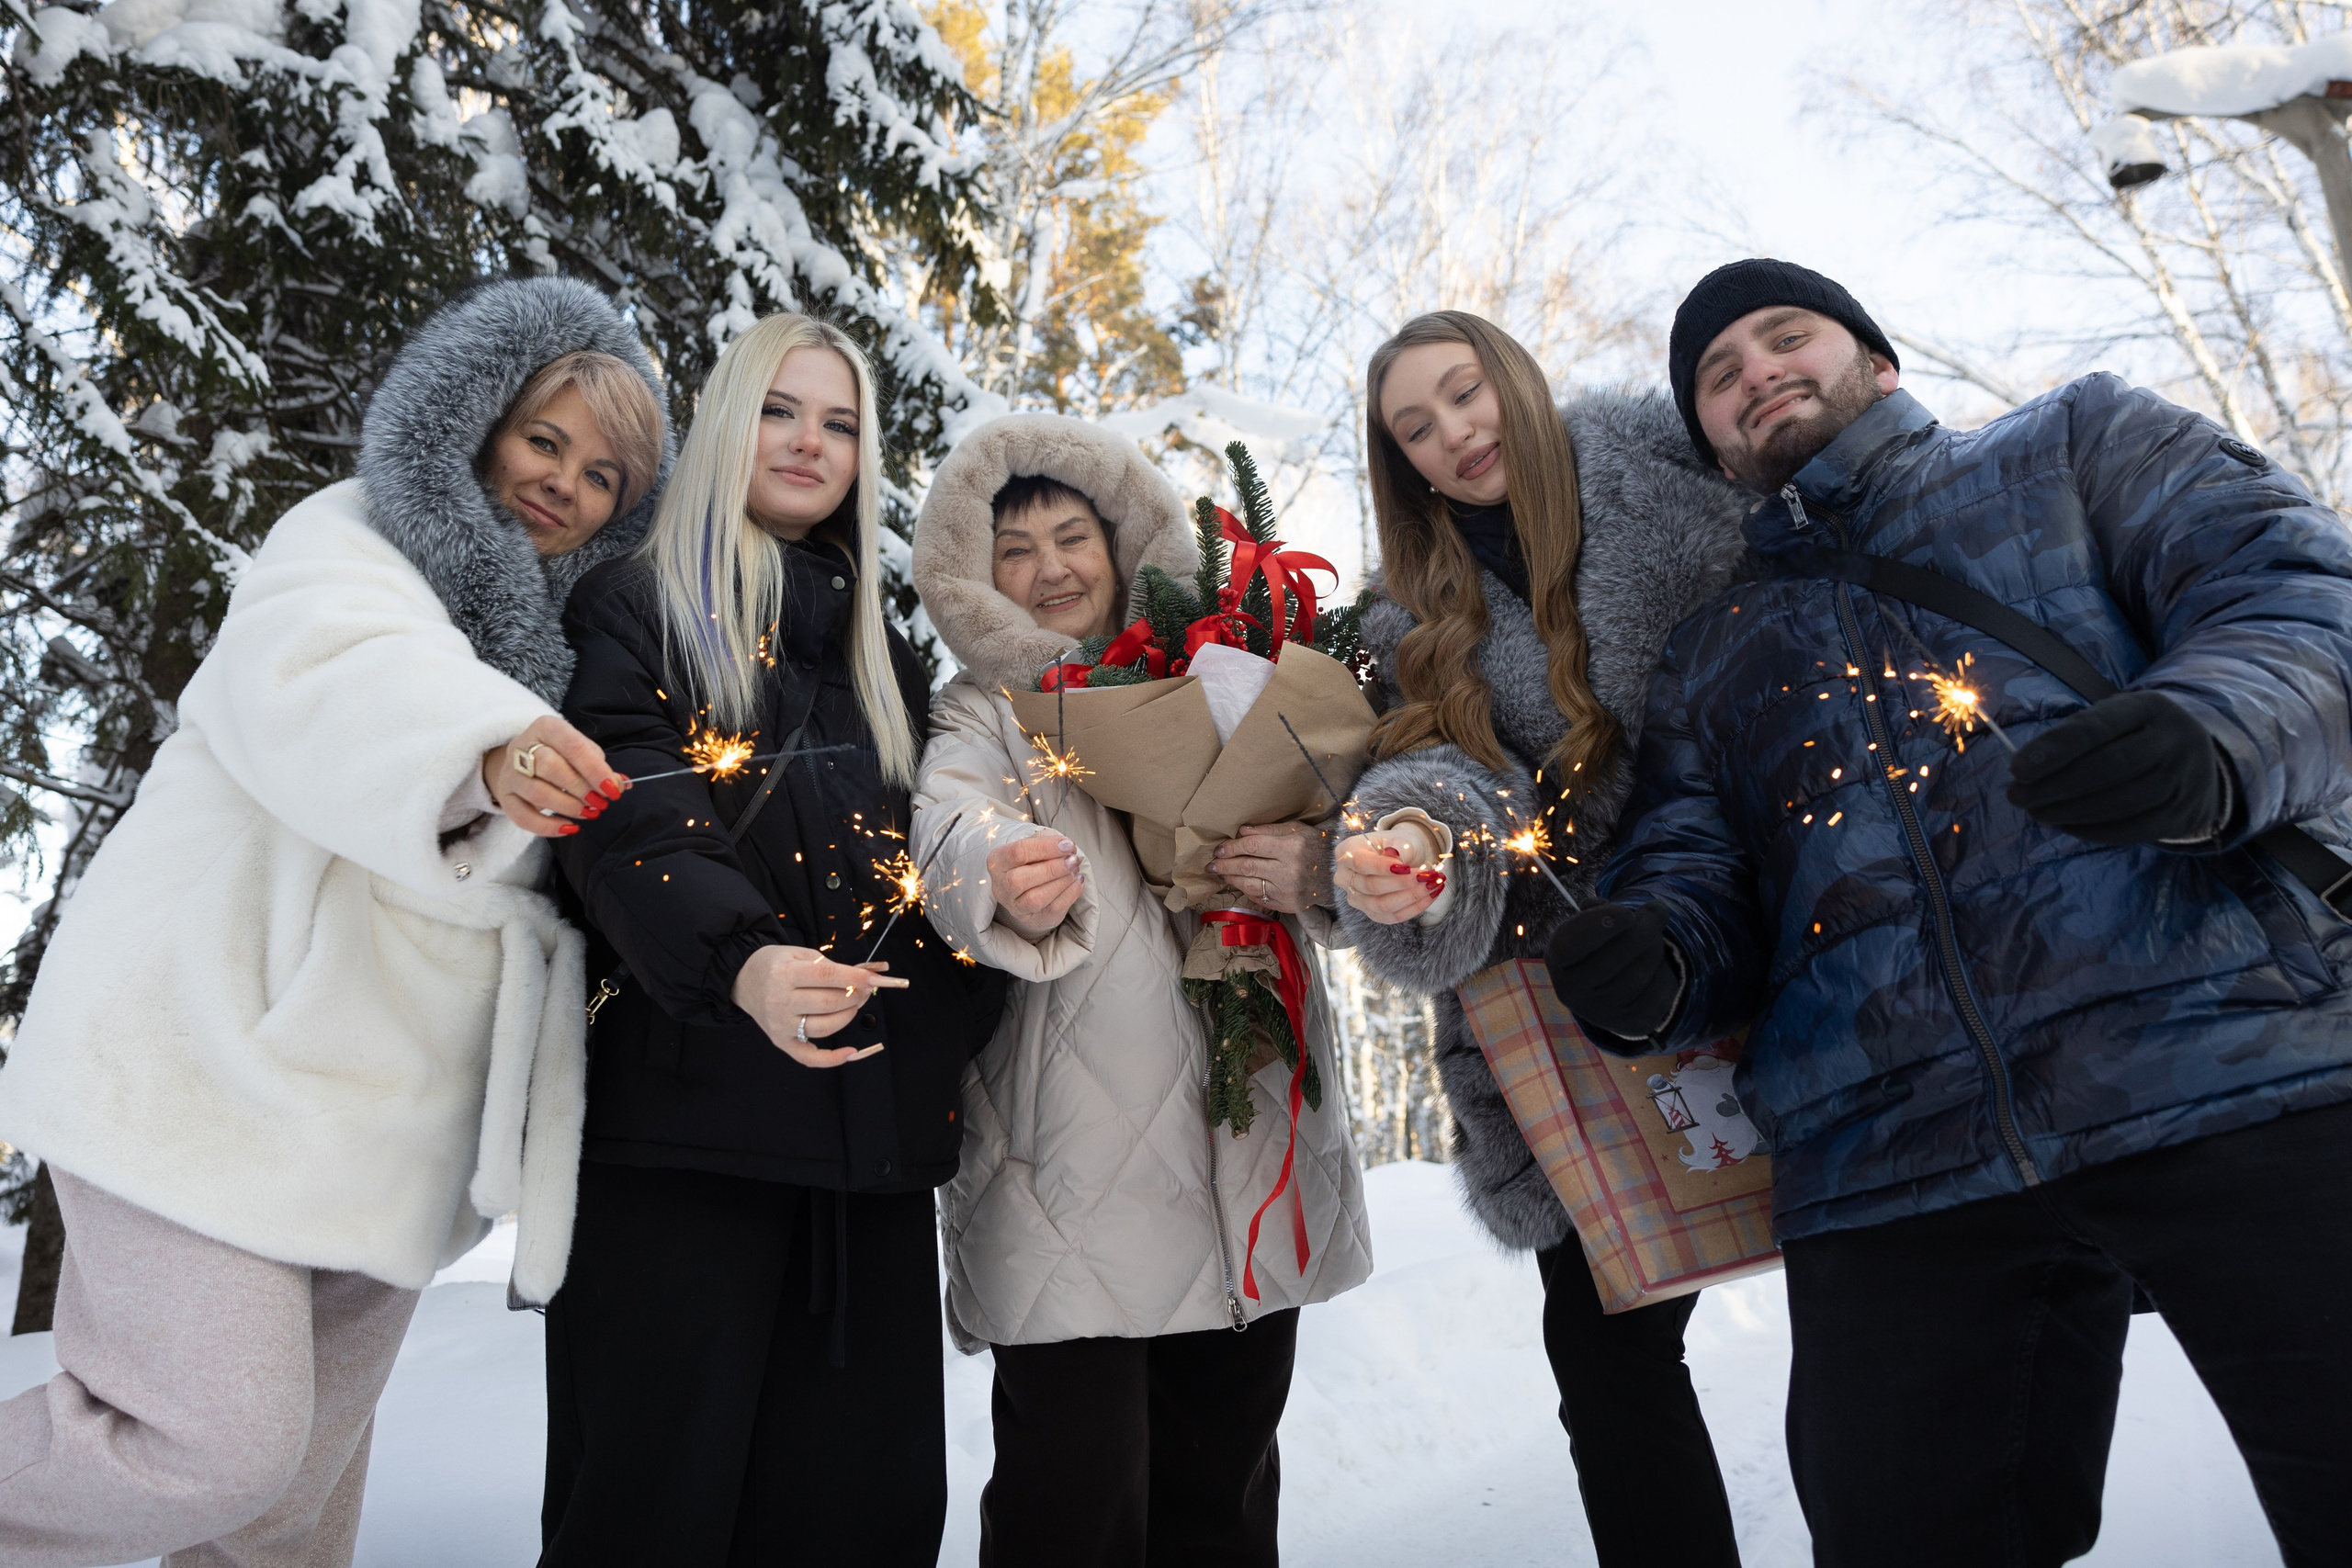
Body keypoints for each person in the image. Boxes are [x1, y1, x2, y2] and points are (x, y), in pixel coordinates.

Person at [1549, 257, 2352, 1567]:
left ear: (1877, 354)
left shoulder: (2079, 443)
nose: (1757, 373)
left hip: (2231, 1051)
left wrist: (2212, 731)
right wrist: (1662, 956)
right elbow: (1696, 868)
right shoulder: (1714, 650)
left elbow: (2299, 594)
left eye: (1783, 335)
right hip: (1891, 1157)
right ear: (1706, 440)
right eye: (1718, 374)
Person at [0, 275, 668, 1567]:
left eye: (601, 478)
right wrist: (486, 754)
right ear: (478, 419)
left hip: (391, 1132)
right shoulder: (355, 540)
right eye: (545, 440)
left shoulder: (566, 648)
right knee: (212, 1441)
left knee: (286, 1508)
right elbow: (339, 676)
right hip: (207, 1071)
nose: (564, 485)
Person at [542, 312, 1005, 1567]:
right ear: (727, 424)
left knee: (865, 1517)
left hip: (864, 1171)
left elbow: (937, 870)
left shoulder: (886, 662)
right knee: (653, 1511)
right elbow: (625, 811)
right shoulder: (632, 609)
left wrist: (953, 993)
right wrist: (740, 959)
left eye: (842, 422)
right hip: (682, 1150)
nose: (811, 441)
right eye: (782, 410)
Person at [907, 412, 1372, 1567]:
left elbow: (1348, 834)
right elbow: (946, 824)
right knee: (1073, 1504)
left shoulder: (1228, 681)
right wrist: (996, 875)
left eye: (1073, 537)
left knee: (1221, 1496)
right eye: (1014, 551)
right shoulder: (984, 711)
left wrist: (1318, 870)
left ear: (1122, 547)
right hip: (1073, 1172)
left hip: (1246, 1136)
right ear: (976, 574)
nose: (1050, 568)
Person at [1326, 310, 1751, 1568]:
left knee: (1879, 1308)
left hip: (1772, 937)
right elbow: (1441, 780)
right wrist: (1404, 849)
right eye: (1418, 425)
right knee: (1608, 1351)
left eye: (1467, 394)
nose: (1457, 433)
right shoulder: (1406, 622)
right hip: (1579, 991)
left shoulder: (1677, 472)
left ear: (1513, 380)